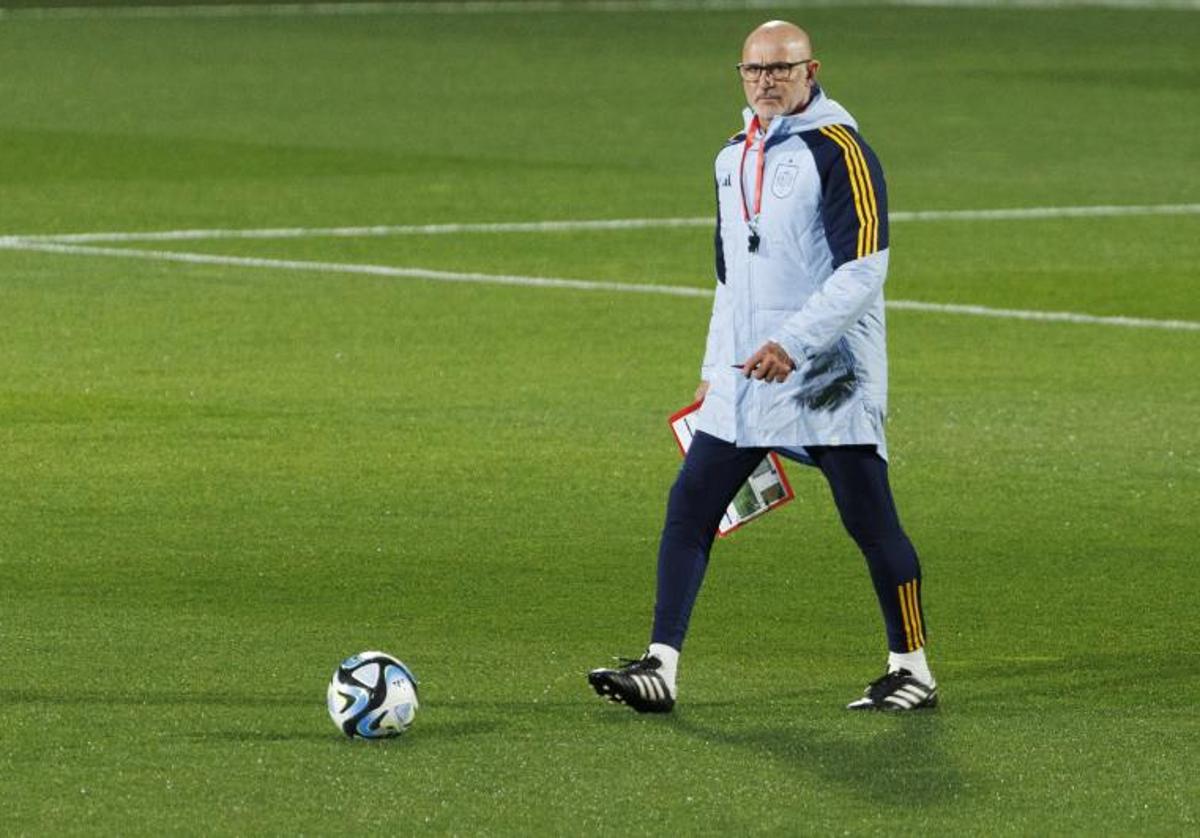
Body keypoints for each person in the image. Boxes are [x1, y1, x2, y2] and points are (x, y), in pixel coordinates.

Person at [588, 20, 937, 713]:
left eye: (781, 69)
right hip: (748, 380)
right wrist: (716, 369)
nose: (766, 82)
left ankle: (913, 668)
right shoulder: (731, 156)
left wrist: (793, 344)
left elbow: (865, 267)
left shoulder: (842, 151)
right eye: (754, 71)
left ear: (812, 71)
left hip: (827, 376)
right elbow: (731, 281)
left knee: (870, 522)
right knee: (690, 507)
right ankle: (660, 666)